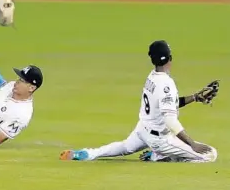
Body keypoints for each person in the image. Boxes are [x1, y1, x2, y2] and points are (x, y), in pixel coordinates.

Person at [59, 40, 219, 163]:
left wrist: (195, 97)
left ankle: (87, 154)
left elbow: (165, 105)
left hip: (143, 130)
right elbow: (170, 119)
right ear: (170, 58)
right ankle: (157, 156)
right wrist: (192, 144)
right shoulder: (166, 84)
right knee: (209, 155)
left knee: (123, 147)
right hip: (160, 139)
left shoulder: (152, 77)